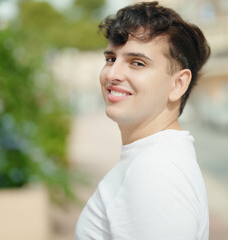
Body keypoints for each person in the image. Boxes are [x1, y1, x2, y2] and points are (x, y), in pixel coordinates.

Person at [75, 1, 211, 239]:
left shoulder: (154, 171)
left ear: (178, 84)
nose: (112, 74)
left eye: (137, 63)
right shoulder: (155, 159)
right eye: (110, 59)